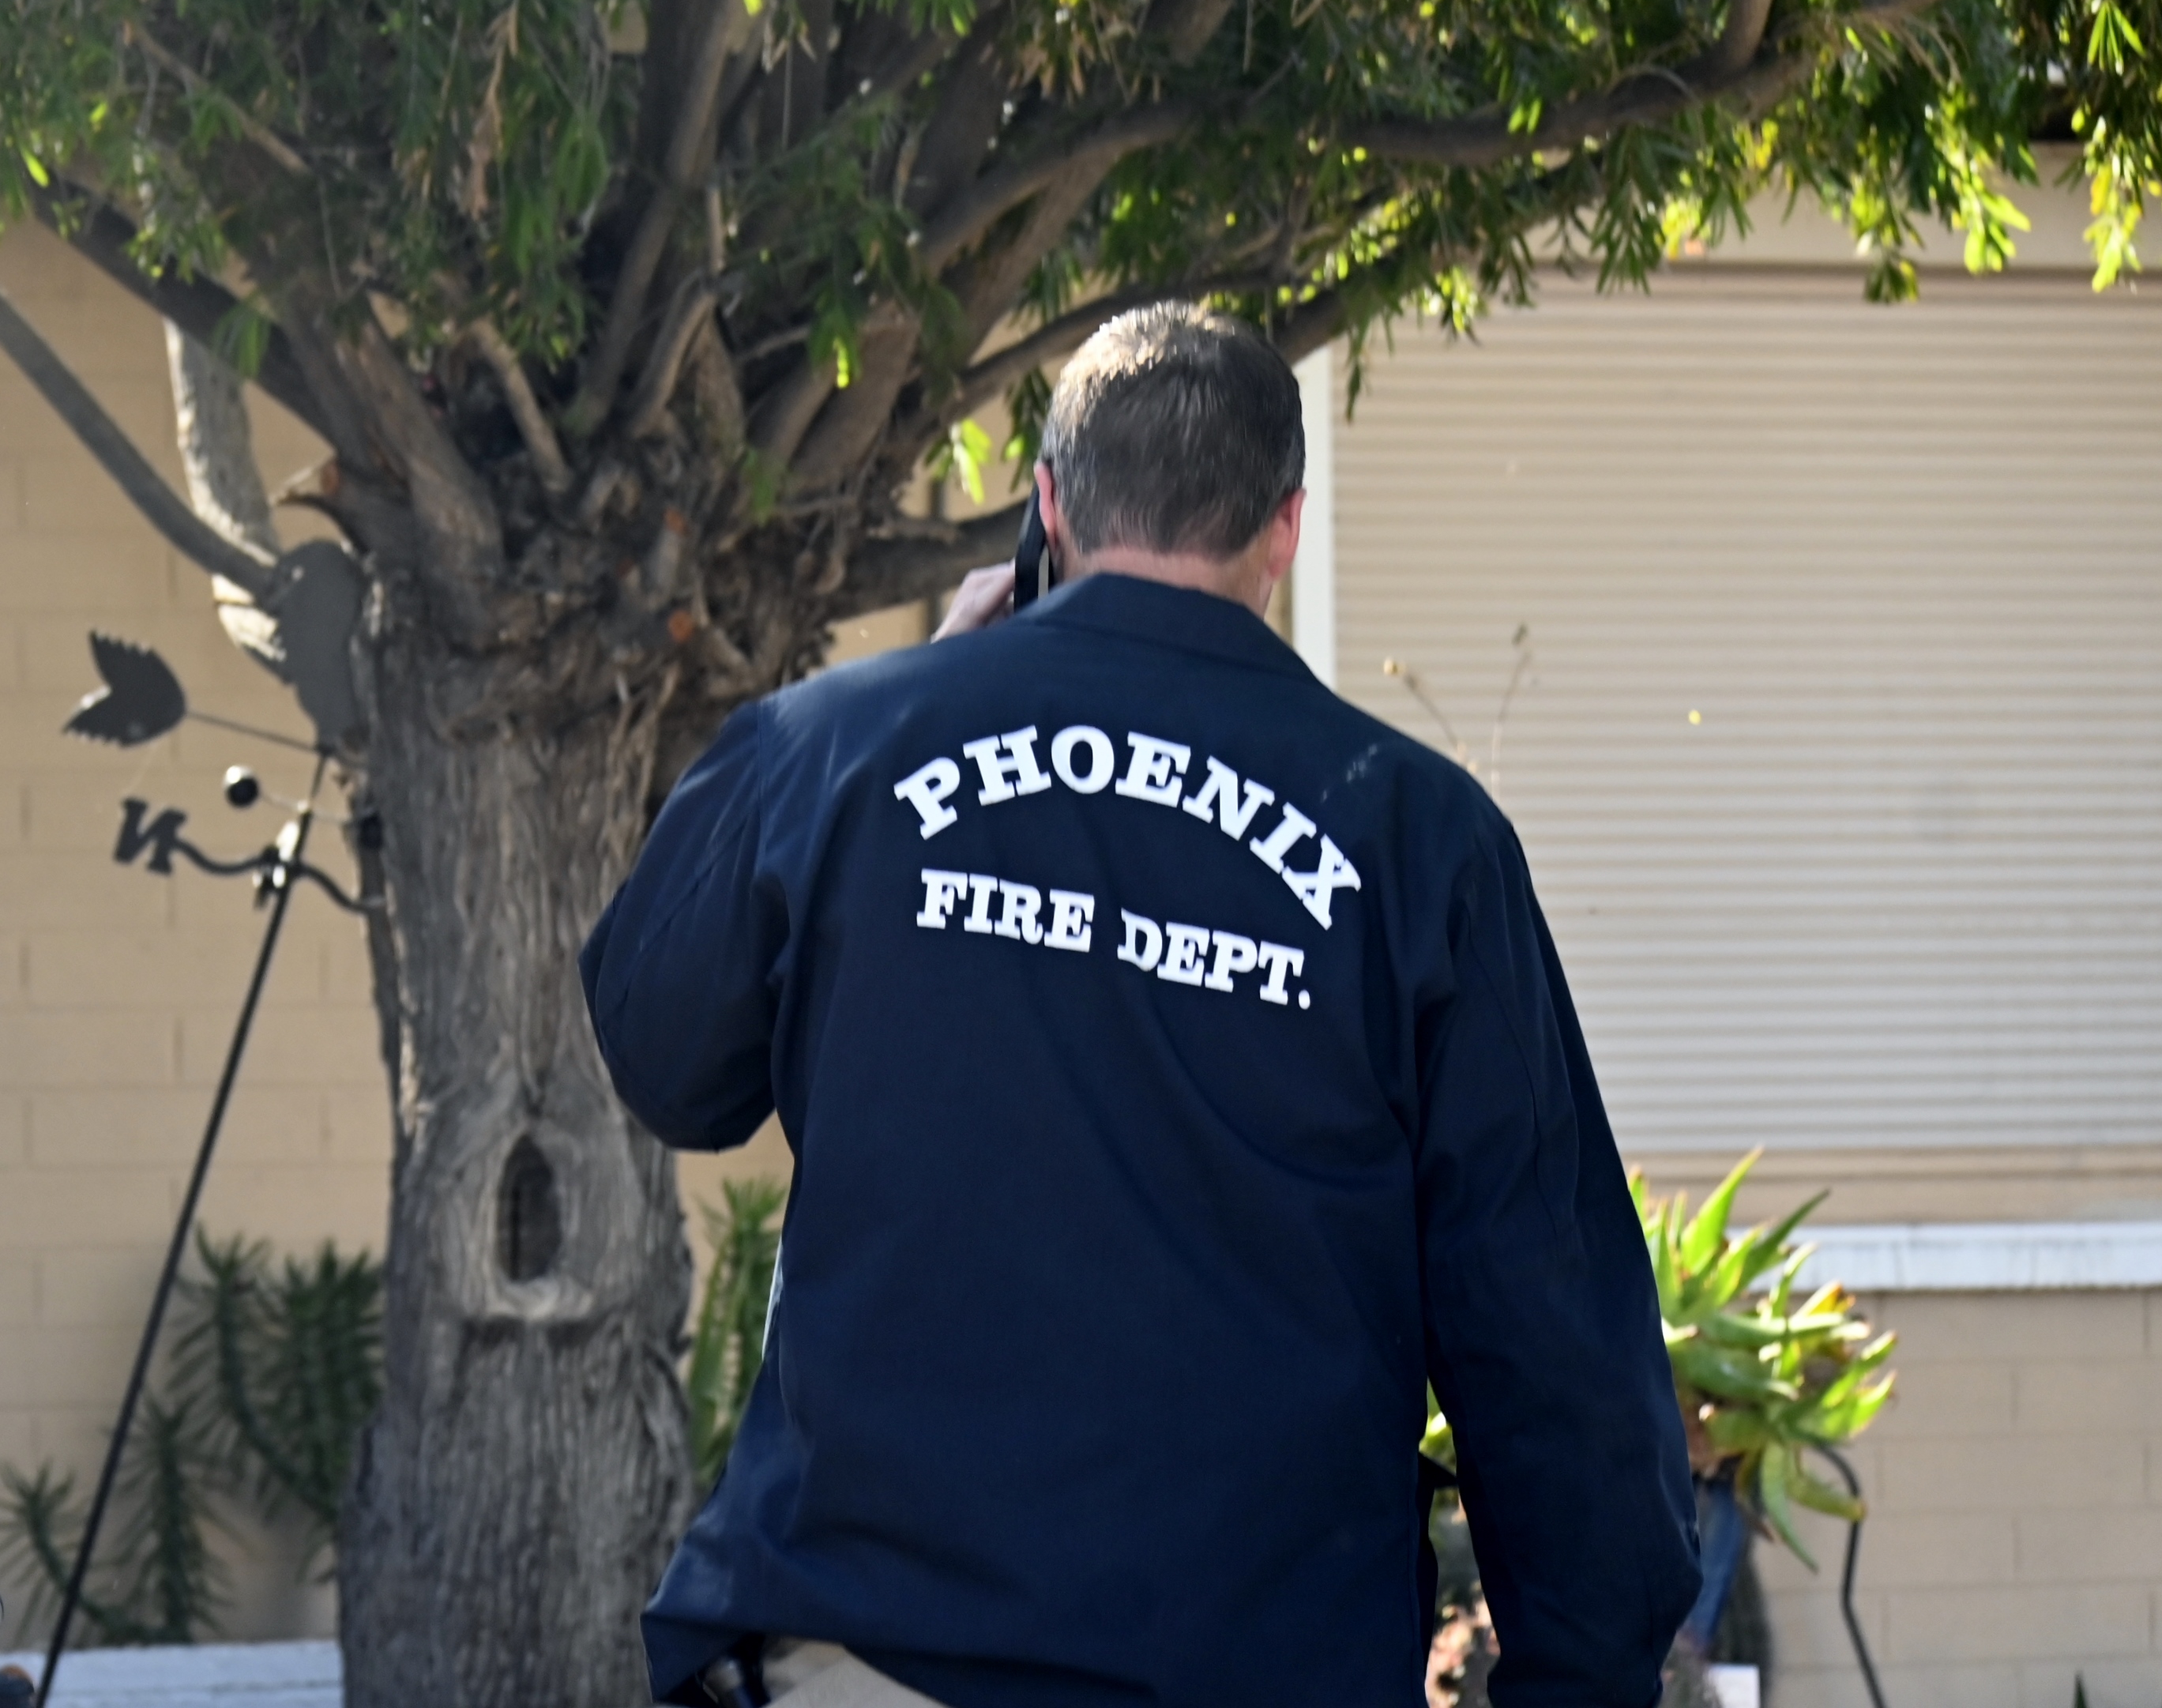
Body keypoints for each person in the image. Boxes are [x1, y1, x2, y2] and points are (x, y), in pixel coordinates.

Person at [581, 306, 1698, 1708]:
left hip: (869, 1659)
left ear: (1048, 507)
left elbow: (663, 1055)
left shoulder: (835, 747)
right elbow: (1550, 1333)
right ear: (1284, 531)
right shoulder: (1421, 841)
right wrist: (1582, 1675)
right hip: (1259, 1664)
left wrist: (928, 687)